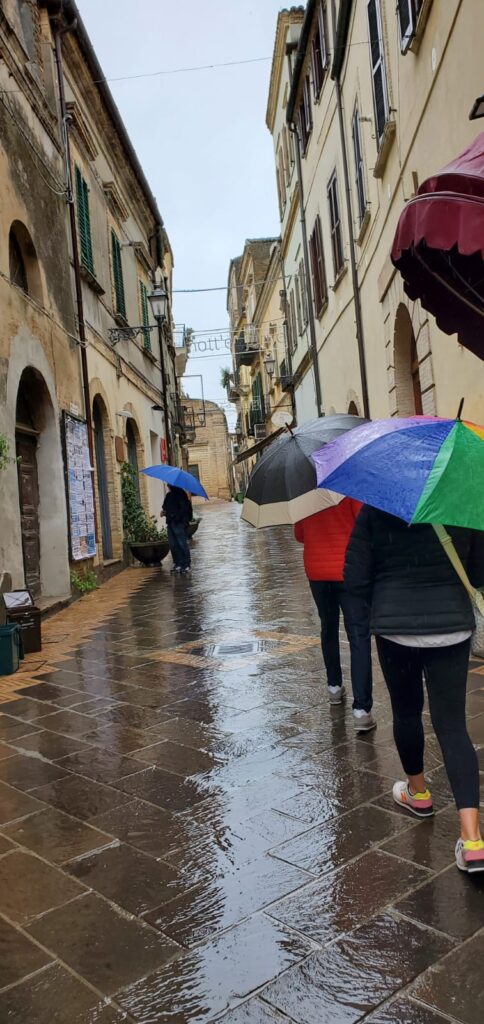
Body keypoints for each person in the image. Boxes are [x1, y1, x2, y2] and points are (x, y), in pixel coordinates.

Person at [345, 505, 484, 874]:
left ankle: (418, 793)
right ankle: (472, 839)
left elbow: (356, 579)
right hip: (452, 625)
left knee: (406, 711)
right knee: (453, 725)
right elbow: (479, 571)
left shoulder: (377, 507)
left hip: (396, 628)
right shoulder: (461, 505)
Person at [294, 498, 374, 731]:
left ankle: (334, 687)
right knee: (358, 634)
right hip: (349, 568)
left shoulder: (303, 491)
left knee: (328, 628)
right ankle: (361, 709)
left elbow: (299, 534)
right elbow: (363, 523)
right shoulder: (348, 486)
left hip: (317, 570)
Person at [161, 485, 193, 575]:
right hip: (170, 523)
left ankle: (186, 564)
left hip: (179, 524)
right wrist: (164, 512)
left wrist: (174, 515)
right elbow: (165, 507)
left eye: (169, 484)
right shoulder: (168, 495)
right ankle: (177, 563)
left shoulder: (181, 495)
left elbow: (183, 510)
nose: (167, 485)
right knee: (173, 545)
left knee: (182, 544)